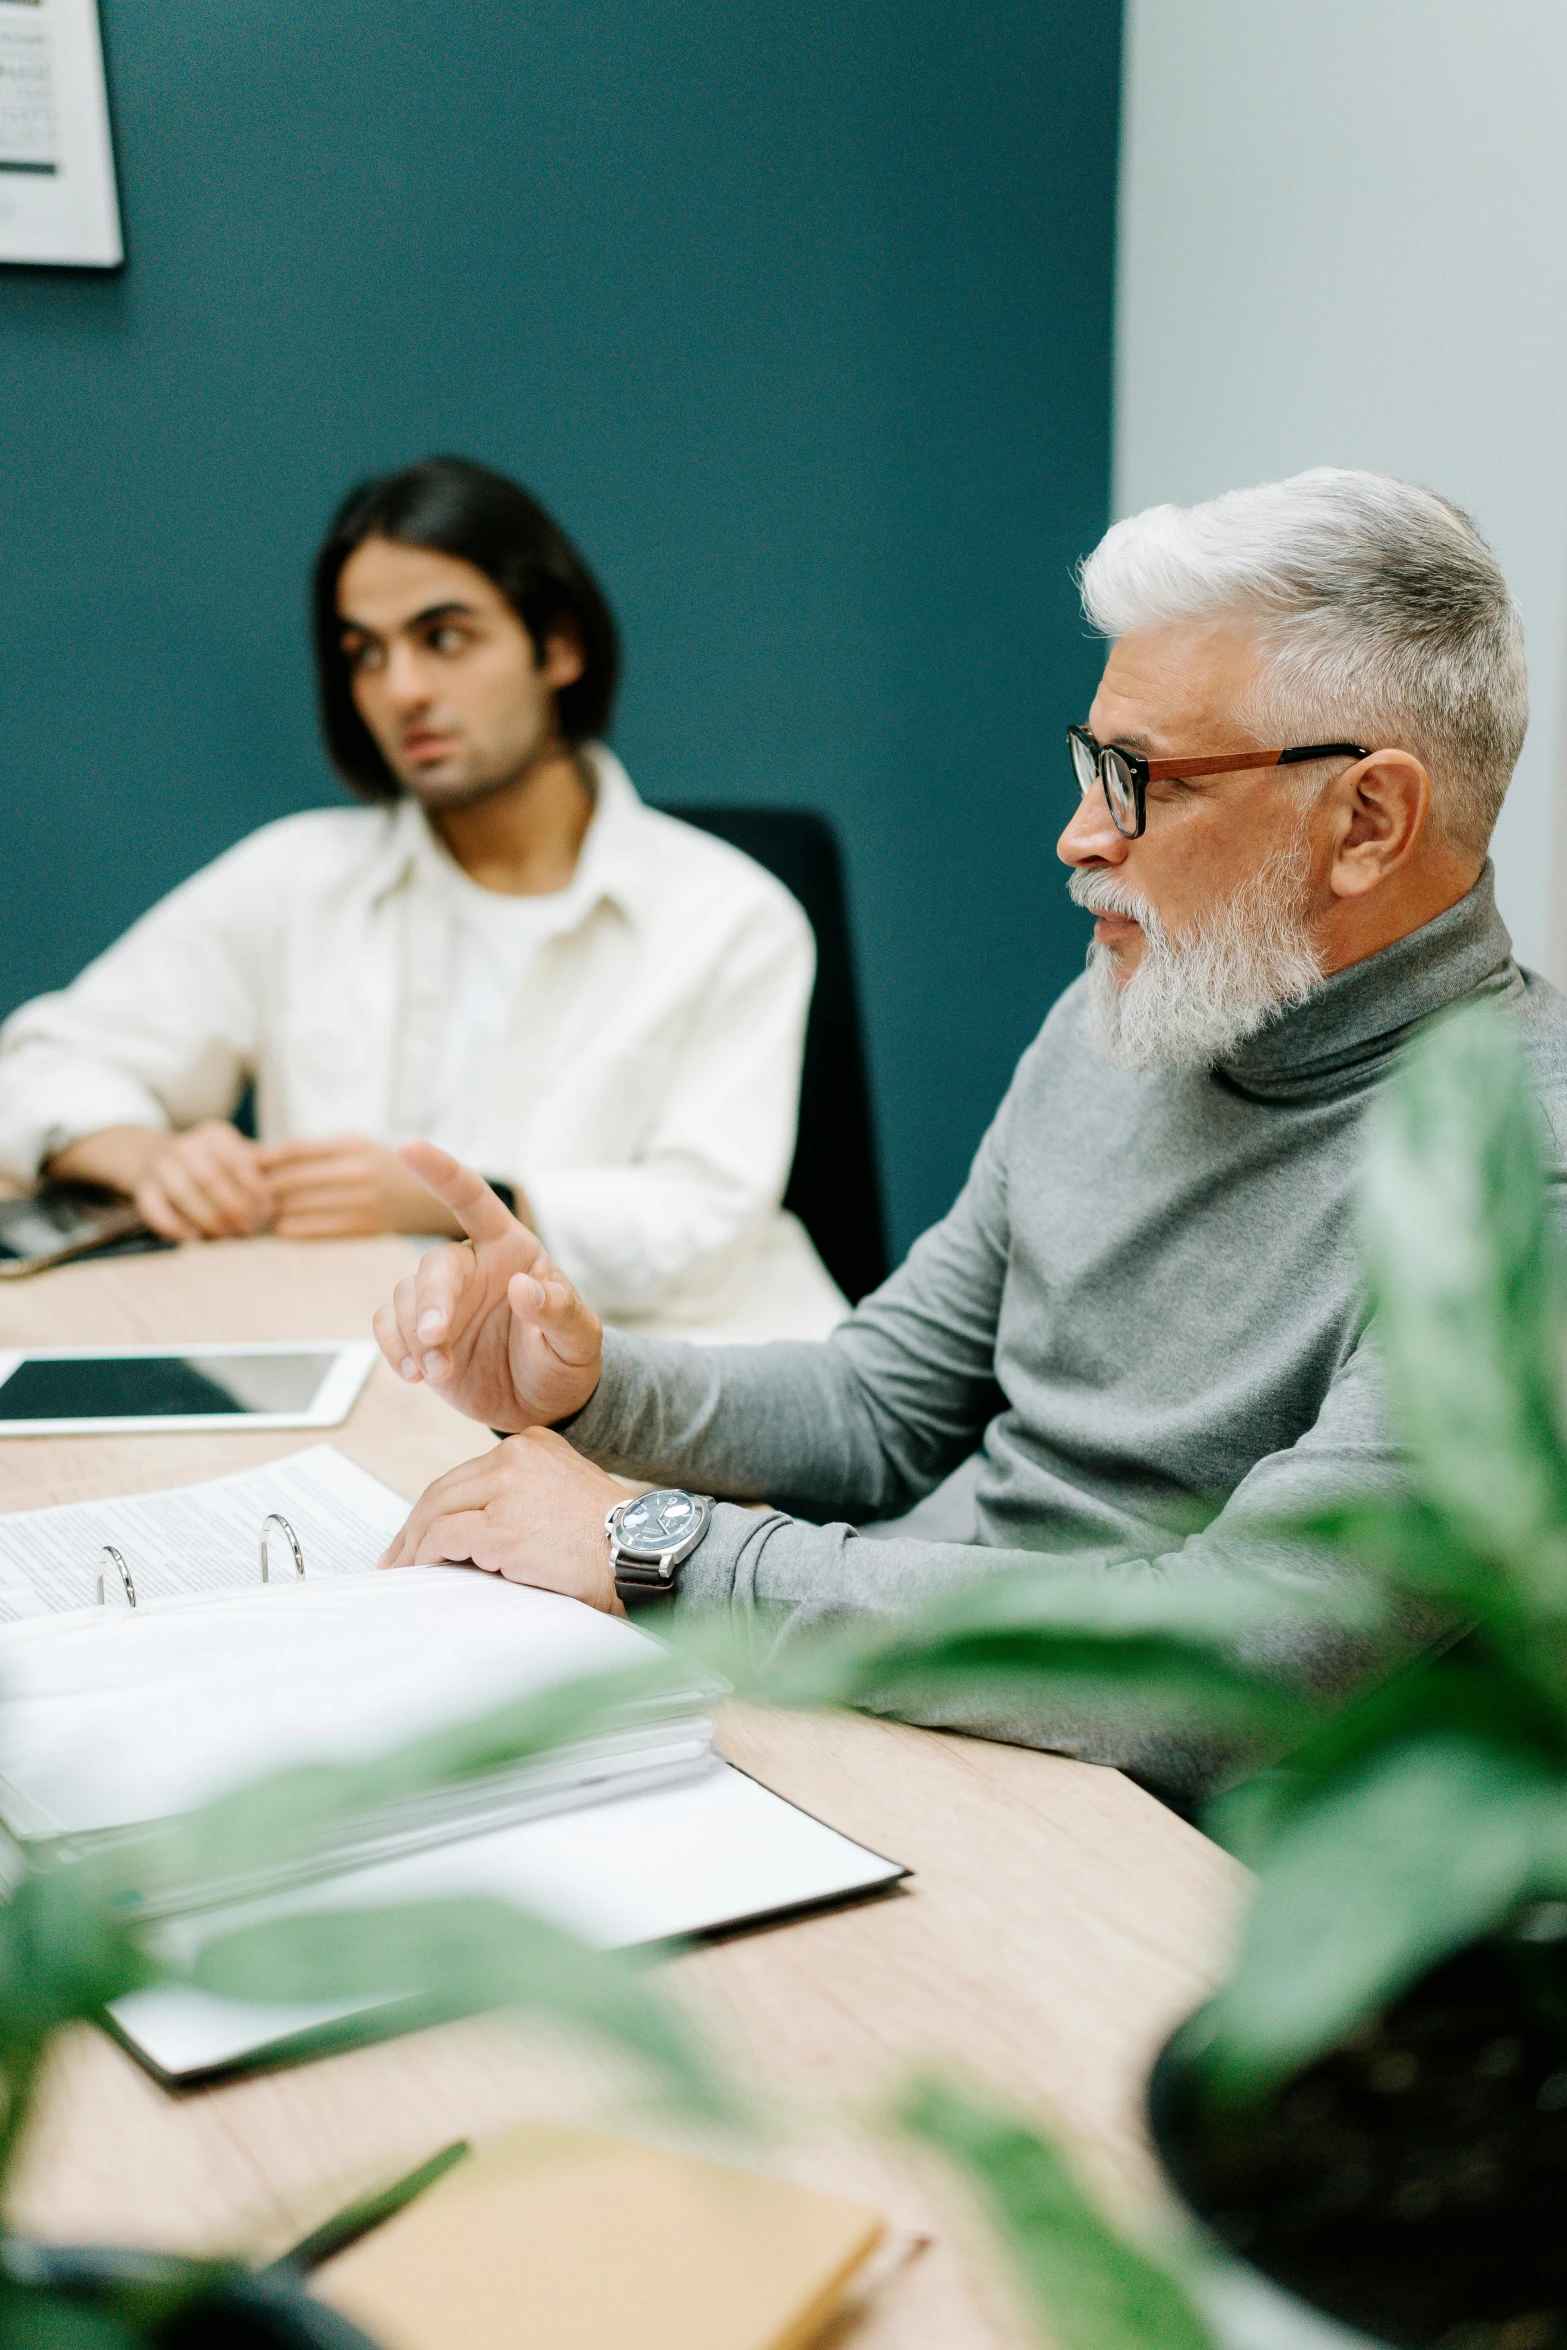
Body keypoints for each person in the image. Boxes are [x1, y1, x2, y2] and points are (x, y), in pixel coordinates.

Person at [368, 468, 1567, 1798]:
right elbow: (879, 1402)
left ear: (1366, 822)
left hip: (1167, 1840)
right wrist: (587, 1389)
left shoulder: (1528, 1191)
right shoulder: (1131, 1004)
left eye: (1137, 783)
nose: (1075, 836)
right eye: (1085, 763)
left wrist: (665, 1545)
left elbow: (1225, 1668)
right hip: (924, 1714)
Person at [0, 458, 845, 1340]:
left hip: (668, 1383)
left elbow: (703, 1225)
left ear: (557, 646)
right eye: (365, 652)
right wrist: (151, 1158)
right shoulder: (296, 879)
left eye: (443, 637)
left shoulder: (730, 913)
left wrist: (454, 1203)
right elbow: (41, 1062)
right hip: (379, 1372)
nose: (401, 690)